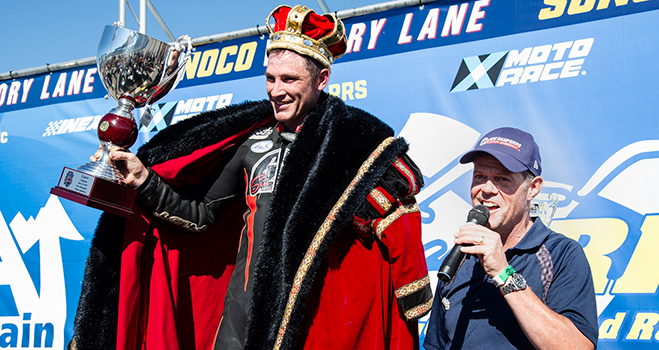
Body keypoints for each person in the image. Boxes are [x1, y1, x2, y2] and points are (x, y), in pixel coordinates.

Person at [70, 4, 432, 350]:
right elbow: (199, 215)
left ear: (322, 78)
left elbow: (393, 230)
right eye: (270, 78)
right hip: (242, 313)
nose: (276, 90)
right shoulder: (252, 143)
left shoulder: (354, 145)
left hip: (317, 319)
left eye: (289, 79)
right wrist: (144, 180)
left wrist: (410, 292)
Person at [423, 127, 597, 350]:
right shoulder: (459, 257)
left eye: (502, 179)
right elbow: (436, 345)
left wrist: (503, 273)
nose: (486, 189)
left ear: (533, 189)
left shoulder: (561, 254)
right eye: (480, 176)